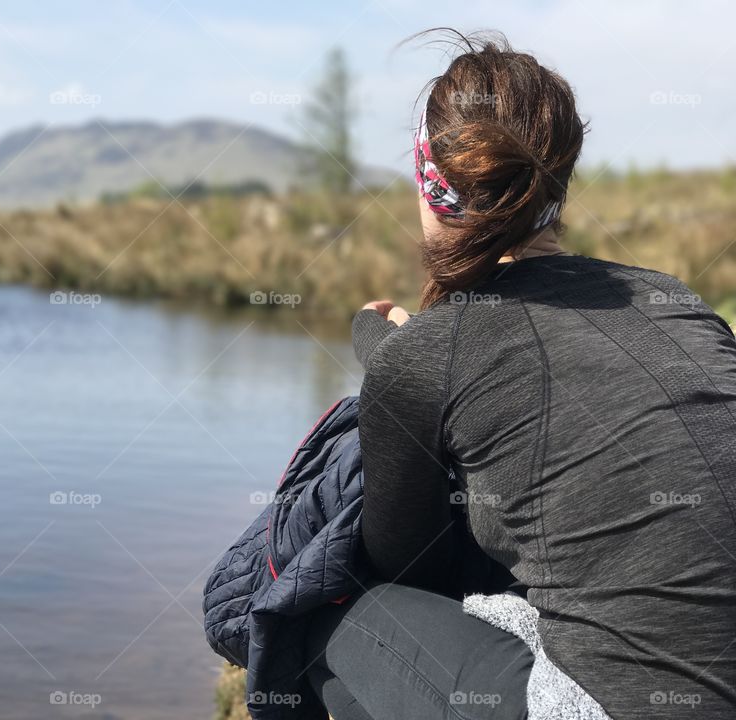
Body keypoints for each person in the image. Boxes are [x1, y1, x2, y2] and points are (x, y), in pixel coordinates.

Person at [304, 31, 736, 719]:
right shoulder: (677, 300)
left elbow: (412, 570)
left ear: (428, 182)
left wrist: (390, 362)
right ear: (557, 183)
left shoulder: (427, 356)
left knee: (339, 613)